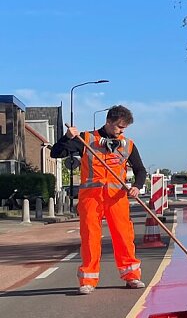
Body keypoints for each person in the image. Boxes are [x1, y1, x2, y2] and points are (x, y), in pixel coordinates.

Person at [50, 105, 149, 295]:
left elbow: (140, 170)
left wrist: (137, 185)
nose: (122, 131)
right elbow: (56, 153)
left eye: (125, 128)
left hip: (117, 198)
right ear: (109, 121)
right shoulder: (85, 140)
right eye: (119, 126)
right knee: (90, 238)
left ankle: (132, 276)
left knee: (123, 237)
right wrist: (67, 137)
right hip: (91, 199)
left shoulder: (128, 144)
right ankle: (88, 280)